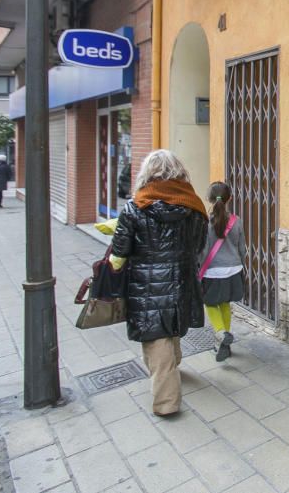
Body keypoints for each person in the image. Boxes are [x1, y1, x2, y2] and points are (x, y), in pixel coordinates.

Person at [109, 150, 207, 416]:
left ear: (147, 173)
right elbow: (199, 245)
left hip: (147, 284)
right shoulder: (194, 207)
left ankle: (166, 402)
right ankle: (174, 367)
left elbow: (119, 251)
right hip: (183, 279)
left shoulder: (135, 207)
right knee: (171, 325)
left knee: (156, 337)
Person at [199, 182, 246, 361]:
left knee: (210, 303)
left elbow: (203, 251)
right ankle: (223, 342)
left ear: (209, 199)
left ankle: (220, 333)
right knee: (225, 303)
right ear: (230, 199)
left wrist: (199, 267)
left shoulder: (205, 222)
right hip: (234, 269)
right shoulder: (237, 220)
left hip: (212, 272)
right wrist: (241, 265)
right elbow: (242, 248)